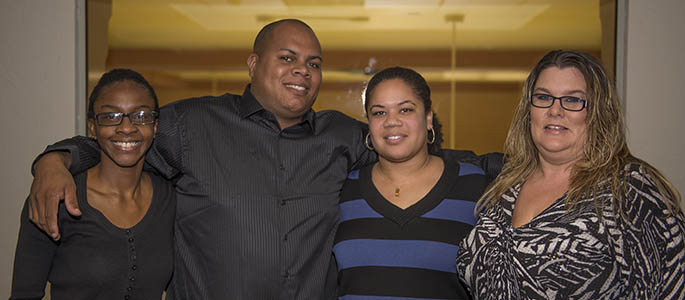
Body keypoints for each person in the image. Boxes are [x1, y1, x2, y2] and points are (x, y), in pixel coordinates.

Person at [26, 19, 499, 299]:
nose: (303, 71)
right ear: (253, 65)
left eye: (314, 63)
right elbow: (124, 133)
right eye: (288, 58)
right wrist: (58, 157)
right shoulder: (193, 124)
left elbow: (408, 145)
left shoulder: (343, 136)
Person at [456, 50, 685, 299]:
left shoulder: (629, 189)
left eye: (573, 100)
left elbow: (672, 288)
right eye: (544, 97)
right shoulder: (505, 186)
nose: (555, 110)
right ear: (528, 110)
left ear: (598, 112)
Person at [11, 69, 175, 299]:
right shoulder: (55, 198)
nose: (127, 128)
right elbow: (24, 294)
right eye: (110, 117)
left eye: (141, 115)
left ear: (155, 126)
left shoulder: (171, 199)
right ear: (92, 128)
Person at [333, 67, 487, 299]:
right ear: (369, 124)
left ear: (427, 118)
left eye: (405, 110)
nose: (392, 121)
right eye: (379, 113)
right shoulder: (342, 189)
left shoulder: (474, 187)